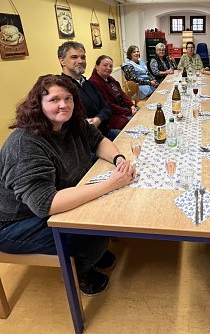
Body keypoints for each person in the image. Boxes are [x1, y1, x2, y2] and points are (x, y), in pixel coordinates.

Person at [0, 74, 135, 296]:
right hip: (14, 222)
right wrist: (111, 183)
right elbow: (45, 204)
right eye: (54, 100)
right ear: (38, 104)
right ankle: (82, 269)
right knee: (93, 233)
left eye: (69, 98)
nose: (63, 105)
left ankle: (92, 252)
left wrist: (118, 159)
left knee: (101, 216)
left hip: (51, 199)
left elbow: (99, 141)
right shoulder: (25, 144)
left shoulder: (72, 123)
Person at [58, 41, 120, 140]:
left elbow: (106, 108)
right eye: (74, 57)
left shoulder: (89, 84)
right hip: (87, 144)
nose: (80, 61)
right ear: (62, 61)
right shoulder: (60, 88)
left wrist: (98, 119)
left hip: (105, 133)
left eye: (83, 57)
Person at [89, 55, 137, 130]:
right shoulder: (94, 83)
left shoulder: (110, 79)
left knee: (142, 111)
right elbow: (109, 105)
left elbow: (122, 94)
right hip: (113, 116)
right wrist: (129, 112)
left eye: (110, 66)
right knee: (136, 122)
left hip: (125, 109)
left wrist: (131, 105)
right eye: (105, 65)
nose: (108, 68)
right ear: (97, 67)